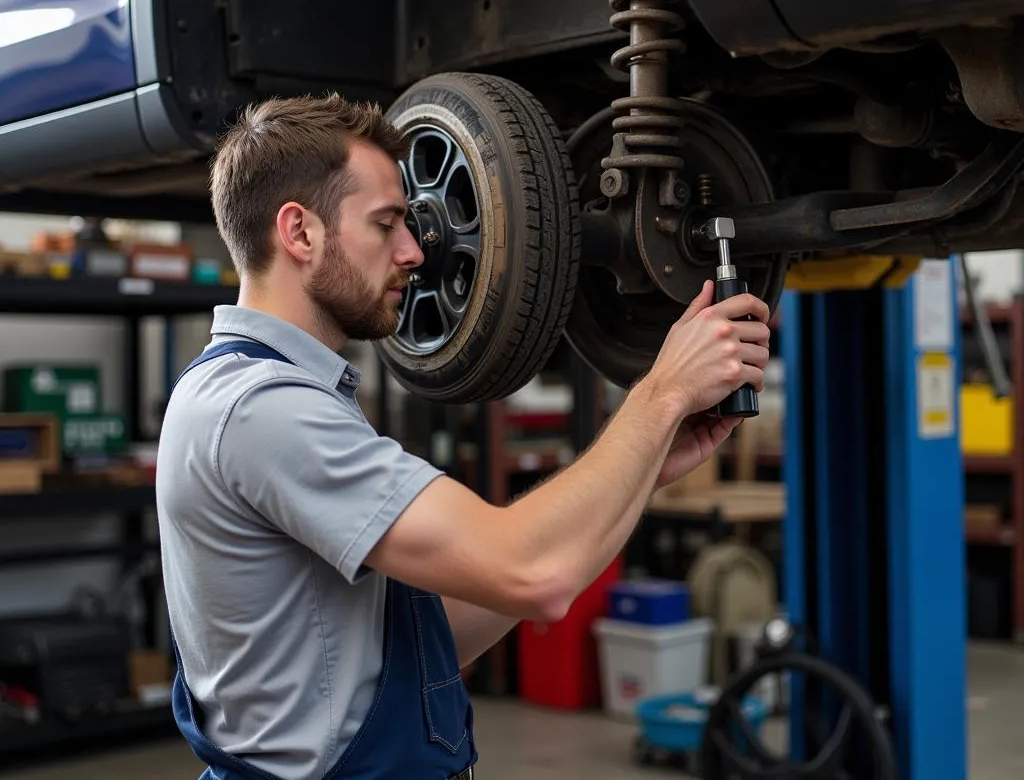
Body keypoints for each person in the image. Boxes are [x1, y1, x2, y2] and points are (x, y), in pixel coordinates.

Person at [155, 93, 771, 780]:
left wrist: (642, 466)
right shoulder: (260, 410)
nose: (415, 252)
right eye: (386, 224)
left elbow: (438, 634)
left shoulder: (266, 397)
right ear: (299, 233)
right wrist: (660, 395)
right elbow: (533, 573)